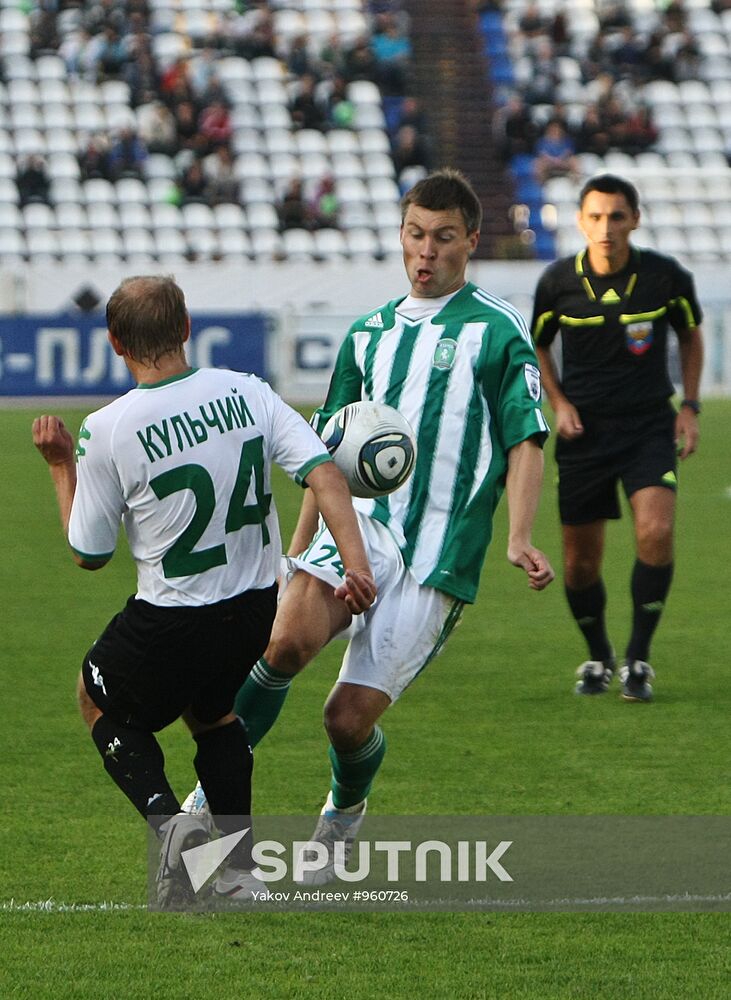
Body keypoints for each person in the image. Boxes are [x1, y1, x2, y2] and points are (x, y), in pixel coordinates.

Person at [184, 169, 555, 882]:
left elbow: (525, 440)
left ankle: (342, 818)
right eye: (415, 235)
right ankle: (209, 803)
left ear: (470, 241)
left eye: (443, 238)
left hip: (438, 554)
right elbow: (322, 457)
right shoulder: (368, 335)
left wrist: (516, 535)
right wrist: (294, 554)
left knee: (344, 721)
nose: (425, 252)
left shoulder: (496, 331)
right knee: (283, 641)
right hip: (359, 528)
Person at [32, 275, 375, 906]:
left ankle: (177, 839)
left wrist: (60, 467)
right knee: (214, 717)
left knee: (95, 696)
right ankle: (241, 870)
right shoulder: (247, 391)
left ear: (114, 343)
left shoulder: (108, 427)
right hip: (251, 609)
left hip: (172, 616)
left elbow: (89, 553)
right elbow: (324, 471)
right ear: (187, 327)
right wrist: (356, 566)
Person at [530, 174, 703, 701]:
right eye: (596, 217)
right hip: (585, 436)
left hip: (650, 425)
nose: (606, 228)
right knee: (581, 563)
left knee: (655, 532)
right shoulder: (557, 283)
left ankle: (638, 659)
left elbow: (691, 336)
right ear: (581, 221)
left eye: (617, 216)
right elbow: (537, 348)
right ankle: (599, 655)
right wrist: (558, 404)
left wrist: (690, 407)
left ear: (635, 219)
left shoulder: (665, 277)